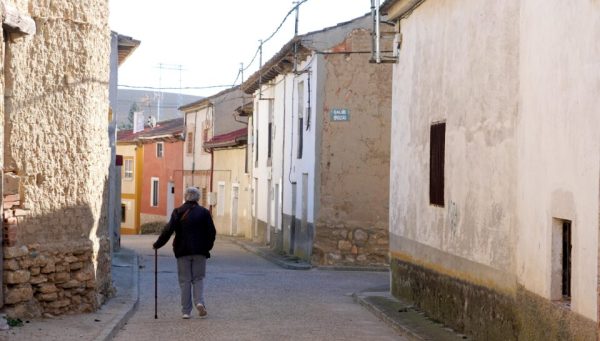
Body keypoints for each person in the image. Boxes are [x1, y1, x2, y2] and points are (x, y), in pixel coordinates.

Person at [153, 187, 216, 319]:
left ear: (185, 197)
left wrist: (158, 244)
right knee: (198, 278)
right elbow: (211, 232)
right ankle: (199, 302)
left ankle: (186, 311)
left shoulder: (178, 211)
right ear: (198, 198)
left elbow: (168, 230)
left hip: (182, 251)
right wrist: (207, 247)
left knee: (185, 280)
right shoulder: (204, 212)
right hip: (200, 251)